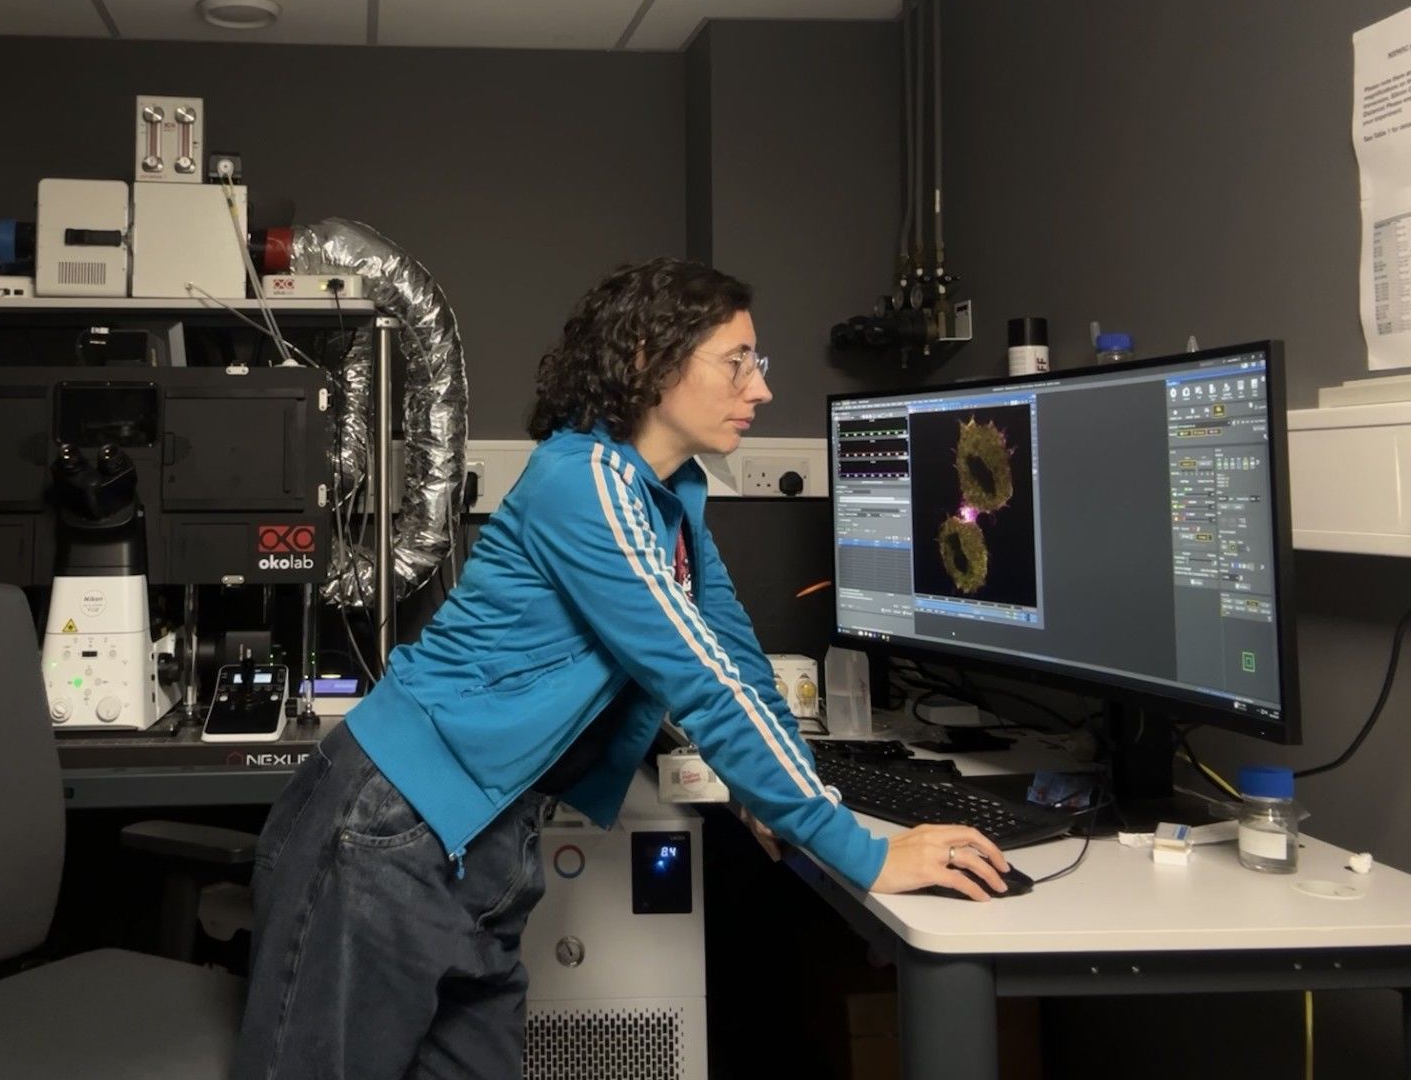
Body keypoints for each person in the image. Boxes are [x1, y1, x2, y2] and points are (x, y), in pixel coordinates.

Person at [230, 258, 1008, 1080]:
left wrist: (783, 802)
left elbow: (736, 666)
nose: (761, 388)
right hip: (386, 828)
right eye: (736, 362)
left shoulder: (666, 499)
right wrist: (866, 855)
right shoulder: (584, 481)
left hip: (489, 840)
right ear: (649, 359)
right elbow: (703, 683)